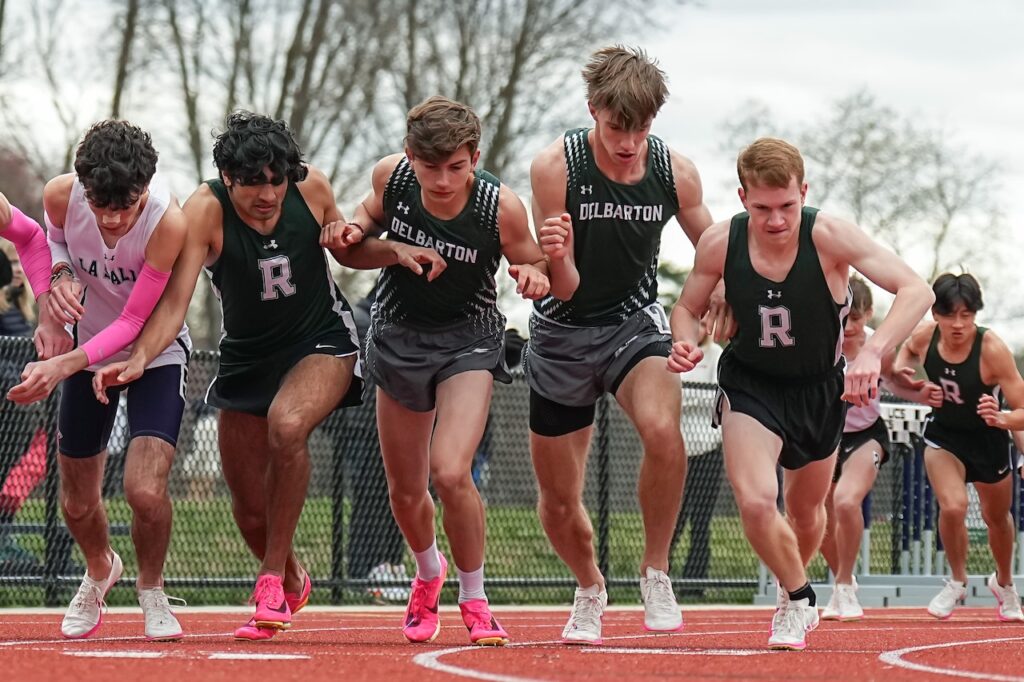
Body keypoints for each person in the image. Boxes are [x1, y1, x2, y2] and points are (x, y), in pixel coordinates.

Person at [92, 111, 363, 641]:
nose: (266, 195)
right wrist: (143, 354)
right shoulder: (205, 210)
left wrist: (360, 238)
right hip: (246, 357)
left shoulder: (313, 191)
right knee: (247, 510)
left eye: (275, 180)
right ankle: (290, 575)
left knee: (288, 426)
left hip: (321, 342)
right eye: (252, 183)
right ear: (228, 177)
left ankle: (267, 582)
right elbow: (175, 303)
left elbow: (351, 247)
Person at [667, 137, 934, 650]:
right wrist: (684, 340)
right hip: (752, 384)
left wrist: (873, 350)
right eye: (762, 208)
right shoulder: (721, 242)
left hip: (818, 390)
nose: (775, 220)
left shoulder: (829, 235)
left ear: (803, 192)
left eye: (787, 206)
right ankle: (799, 595)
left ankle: (793, 595)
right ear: (743, 197)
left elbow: (916, 289)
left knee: (808, 512)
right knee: (753, 498)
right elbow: (686, 307)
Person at [322, 95, 549, 646]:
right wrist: (362, 236)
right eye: (430, 168)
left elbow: (533, 259)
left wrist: (533, 274)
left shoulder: (501, 206)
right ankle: (428, 573)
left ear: (474, 156)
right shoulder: (391, 181)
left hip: (468, 341)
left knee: (450, 471)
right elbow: (354, 241)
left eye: (455, 166)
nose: (443, 181)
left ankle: (474, 597)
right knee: (405, 489)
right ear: (409, 157)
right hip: (399, 336)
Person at [523, 45, 720, 644]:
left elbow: (713, 249)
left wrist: (710, 307)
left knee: (665, 434)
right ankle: (589, 588)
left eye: (641, 127)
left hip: (635, 324)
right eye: (616, 127)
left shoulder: (674, 172)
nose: (629, 141)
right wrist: (553, 253)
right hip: (562, 329)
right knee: (558, 502)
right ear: (593, 111)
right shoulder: (555, 167)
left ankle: (655, 572)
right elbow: (566, 285)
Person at [5, 121, 190, 642]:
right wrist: (51, 305)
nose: (109, 220)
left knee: (144, 491)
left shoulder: (167, 223)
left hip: (153, 354)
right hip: (85, 356)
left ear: (145, 190)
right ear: (83, 187)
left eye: (122, 209)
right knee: (76, 502)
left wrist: (62, 365)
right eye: (100, 206)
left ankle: (152, 589)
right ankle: (99, 569)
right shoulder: (62, 195)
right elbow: (47, 246)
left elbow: (133, 323)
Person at [895, 272, 1024, 622]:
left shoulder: (992, 349)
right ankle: (957, 580)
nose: (957, 324)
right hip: (945, 435)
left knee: (996, 518)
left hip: (988, 439)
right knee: (953, 506)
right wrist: (913, 383)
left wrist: (1001, 418)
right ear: (935, 313)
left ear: (975, 316)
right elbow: (902, 358)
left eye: (966, 315)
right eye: (949, 315)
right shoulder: (924, 336)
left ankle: (1005, 584)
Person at [819, 276, 938, 621]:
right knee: (818, 517)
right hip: (824, 437)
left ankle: (842, 585)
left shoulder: (878, 347)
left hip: (865, 435)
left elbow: (895, 381)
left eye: (857, 319)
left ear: (869, 314)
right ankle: (844, 578)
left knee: (846, 501)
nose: (851, 326)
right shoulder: (823, 344)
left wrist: (919, 392)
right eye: (844, 319)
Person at [670, 331, 723, 595]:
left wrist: (685, 397)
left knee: (700, 520)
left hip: (708, 448)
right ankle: (660, 577)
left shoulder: (716, 356)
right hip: (679, 448)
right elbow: (670, 395)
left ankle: (694, 584)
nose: (699, 327)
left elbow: (713, 397)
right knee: (673, 517)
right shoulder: (674, 353)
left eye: (704, 322)